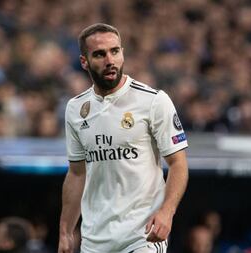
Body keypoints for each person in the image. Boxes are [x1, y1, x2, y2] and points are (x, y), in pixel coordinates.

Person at [58, 23, 189, 253]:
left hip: (142, 237)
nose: (110, 60)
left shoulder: (153, 101)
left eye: (115, 51)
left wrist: (167, 212)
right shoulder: (75, 108)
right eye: (99, 54)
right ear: (84, 62)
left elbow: (178, 163)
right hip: (94, 240)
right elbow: (77, 173)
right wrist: (66, 231)